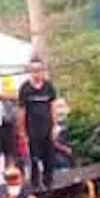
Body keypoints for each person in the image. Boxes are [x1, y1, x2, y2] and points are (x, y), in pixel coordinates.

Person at [19, 59, 61, 189]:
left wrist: (55, 126)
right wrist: (21, 131)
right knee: (34, 159)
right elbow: (21, 111)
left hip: (47, 128)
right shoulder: (25, 88)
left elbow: (53, 107)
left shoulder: (49, 86)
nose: (37, 74)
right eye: (34, 71)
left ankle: (49, 182)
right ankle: (36, 185)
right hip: (32, 130)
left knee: (49, 157)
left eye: (39, 70)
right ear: (30, 72)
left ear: (43, 71)